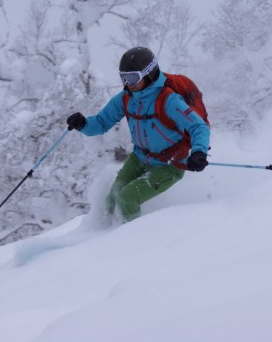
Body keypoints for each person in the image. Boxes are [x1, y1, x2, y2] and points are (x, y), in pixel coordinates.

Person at [67, 47, 210, 222]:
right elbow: (102, 122)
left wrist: (199, 152)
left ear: (149, 74)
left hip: (169, 165)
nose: (128, 83)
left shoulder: (168, 100)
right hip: (140, 157)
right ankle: (99, 235)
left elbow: (198, 127)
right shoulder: (126, 98)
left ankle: (132, 242)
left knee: (127, 199)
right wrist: (83, 124)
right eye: (124, 78)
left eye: (132, 77)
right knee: (111, 199)